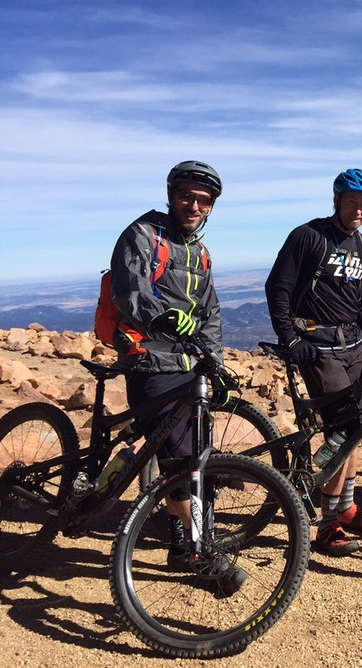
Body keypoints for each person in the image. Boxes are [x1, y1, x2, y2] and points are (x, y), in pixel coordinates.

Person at [108, 160, 243, 587]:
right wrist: (161, 317)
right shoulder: (143, 234)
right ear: (171, 195)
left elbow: (209, 313)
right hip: (150, 359)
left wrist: (215, 365)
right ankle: (200, 551)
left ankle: (182, 544)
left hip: (189, 366)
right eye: (187, 196)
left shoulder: (200, 253)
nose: (195, 205)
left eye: (204, 200)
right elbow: (129, 290)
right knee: (181, 460)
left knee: (196, 456)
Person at [265, 168, 362, 556]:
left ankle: (346, 507)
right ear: (337, 200)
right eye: (352, 202)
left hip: (353, 350)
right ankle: (327, 524)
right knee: (343, 430)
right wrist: (291, 338)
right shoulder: (309, 236)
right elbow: (278, 288)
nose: (359, 210)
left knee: (356, 430)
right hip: (318, 349)